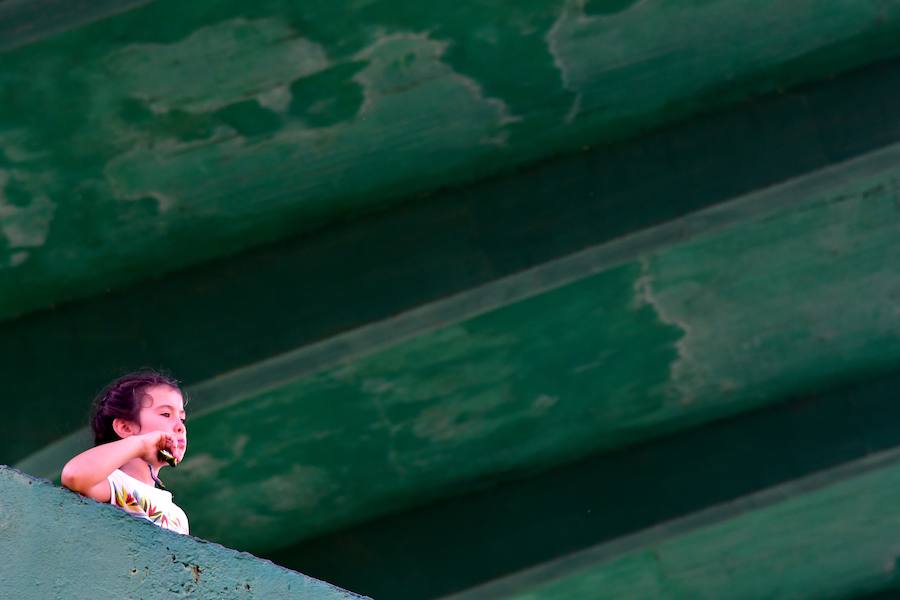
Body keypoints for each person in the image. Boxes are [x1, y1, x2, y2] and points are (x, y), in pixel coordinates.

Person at [61, 370, 189, 534]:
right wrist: (142, 445)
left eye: (182, 419)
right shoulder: (114, 483)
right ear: (125, 428)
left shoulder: (178, 517)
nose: (180, 426)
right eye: (166, 414)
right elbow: (74, 475)